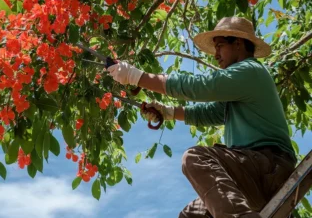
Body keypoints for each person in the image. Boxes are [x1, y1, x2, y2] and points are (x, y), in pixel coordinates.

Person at [107, 17, 296, 218]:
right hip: (254, 174)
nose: (216, 55)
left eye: (220, 46)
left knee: (196, 158)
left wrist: (139, 77)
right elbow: (211, 113)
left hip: (270, 167)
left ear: (238, 44)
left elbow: (199, 86)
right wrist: (168, 112)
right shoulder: (241, 83)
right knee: (190, 215)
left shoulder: (249, 71)